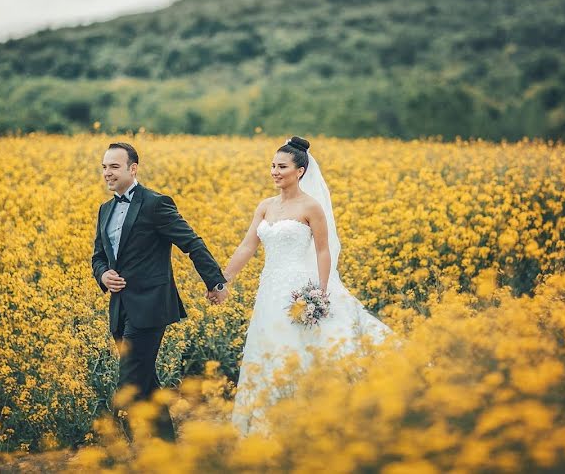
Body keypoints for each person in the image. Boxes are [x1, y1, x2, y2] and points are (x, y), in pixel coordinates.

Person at [216, 136, 392, 435]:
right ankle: (266, 422)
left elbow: (324, 250)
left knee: (296, 348)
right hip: (269, 289)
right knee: (267, 346)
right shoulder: (266, 206)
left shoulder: (312, 207)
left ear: (300, 171)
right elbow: (248, 246)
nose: (274, 171)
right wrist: (222, 280)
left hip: (299, 288)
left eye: (281, 166)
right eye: (272, 165)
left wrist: (321, 292)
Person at [91, 142, 229, 441]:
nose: (107, 173)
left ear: (132, 168)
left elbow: (191, 243)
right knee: (146, 381)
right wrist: (104, 276)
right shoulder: (105, 210)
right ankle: (168, 445)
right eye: (104, 167)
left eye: (114, 166)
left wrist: (215, 283)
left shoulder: (155, 203)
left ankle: (113, 448)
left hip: (150, 307)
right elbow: (98, 257)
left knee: (128, 381)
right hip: (120, 306)